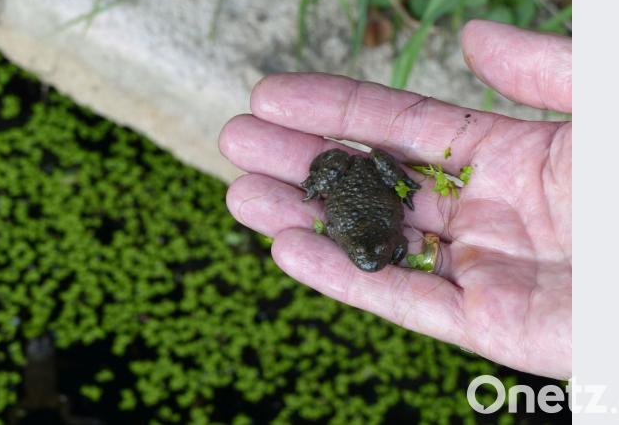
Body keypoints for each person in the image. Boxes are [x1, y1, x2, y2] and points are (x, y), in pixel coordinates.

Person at [218, 20, 571, 380]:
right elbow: (394, 242)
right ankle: (353, 181)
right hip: (352, 178)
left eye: (370, 256)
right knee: (337, 176)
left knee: (367, 176)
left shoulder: (378, 240)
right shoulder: (384, 242)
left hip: (366, 181)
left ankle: (387, 181)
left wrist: (400, 186)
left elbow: (392, 242)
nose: (373, 262)